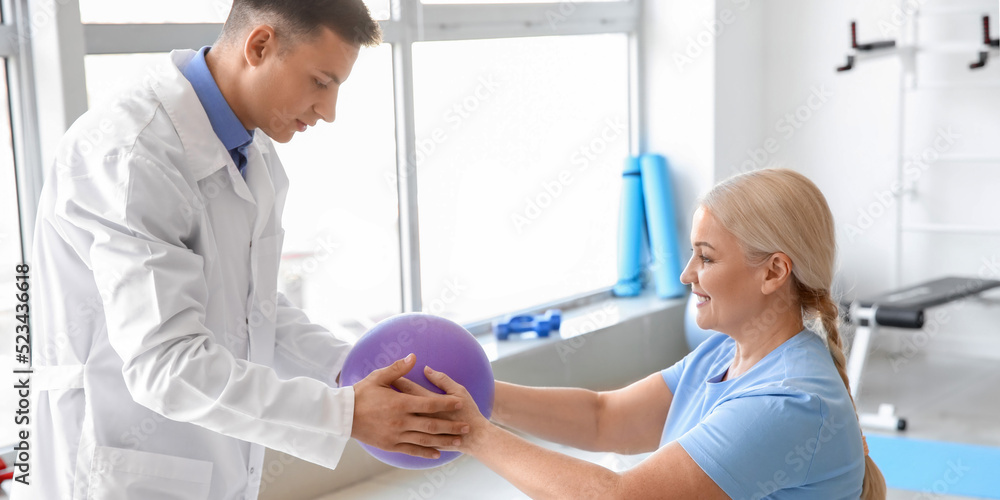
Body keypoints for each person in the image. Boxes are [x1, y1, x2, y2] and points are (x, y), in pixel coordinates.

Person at [22, 1, 468, 499]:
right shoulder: (132, 155)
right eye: (321, 82)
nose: (329, 112)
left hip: (209, 465)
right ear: (259, 46)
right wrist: (343, 415)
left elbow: (255, 308)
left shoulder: (248, 147)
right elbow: (164, 365)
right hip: (118, 468)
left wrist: (350, 371)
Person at [408, 168, 888, 499]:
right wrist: (479, 395)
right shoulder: (724, 354)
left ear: (774, 272)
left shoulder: (789, 402)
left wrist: (473, 435)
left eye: (706, 257)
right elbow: (604, 418)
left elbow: (621, 499)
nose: (686, 274)